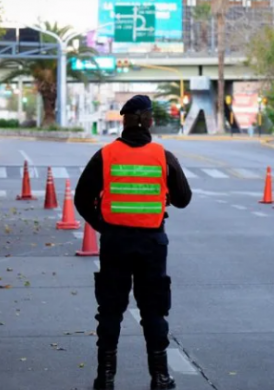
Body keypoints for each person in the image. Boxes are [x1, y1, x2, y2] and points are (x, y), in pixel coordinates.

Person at [74, 95, 192, 390]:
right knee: (154, 310)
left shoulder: (106, 155)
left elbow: (81, 199)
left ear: (124, 122)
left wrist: (104, 227)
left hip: (115, 243)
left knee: (111, 310)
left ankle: (106, 377)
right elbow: (183, 199)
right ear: (149, 121)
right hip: (152, 244)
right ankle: (160, 377)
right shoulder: (163, 156)